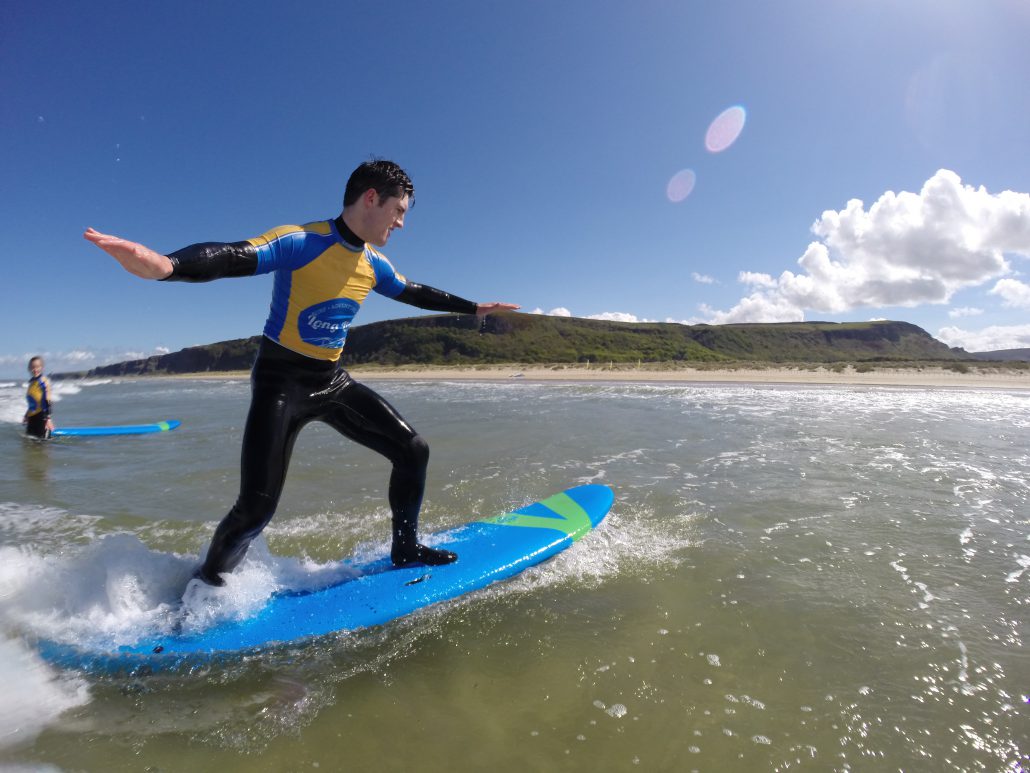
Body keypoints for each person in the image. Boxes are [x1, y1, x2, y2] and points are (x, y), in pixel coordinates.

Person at [84, 159, 519, 586]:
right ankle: (205, 585)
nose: (401, 223)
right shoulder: (304, 241)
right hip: (280, 383)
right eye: (399, 211)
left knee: (413, 449)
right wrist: (168, 266)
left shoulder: (373, 265)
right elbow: (236, 254)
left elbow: (414, 292)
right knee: (255, 509)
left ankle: (405, 548)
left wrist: (472, 307)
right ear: (372, 198)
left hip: (331, 380)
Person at [24, 356, 55, 439]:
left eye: (37, 367)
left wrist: (48, 419)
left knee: (43, 443)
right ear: (29, 368)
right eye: (33, 367)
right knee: (29, 441)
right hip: (31, 417)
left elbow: (48, 400)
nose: (35, 369)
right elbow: (32, 402)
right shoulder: (31, 383)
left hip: (41, 416)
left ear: (42, 367)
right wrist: (26, 415)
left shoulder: (44, 381)